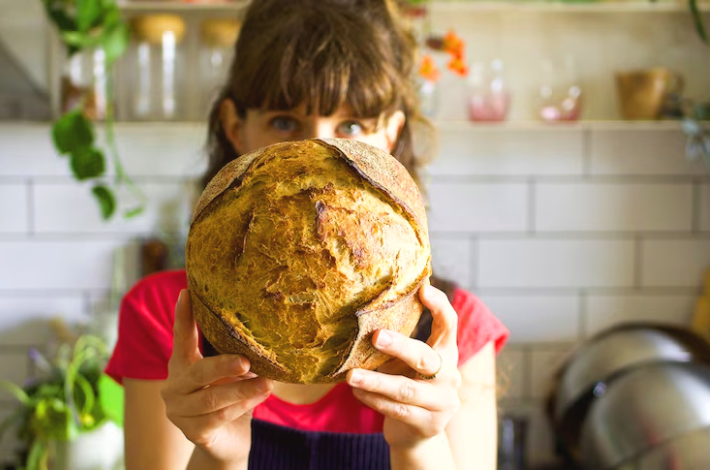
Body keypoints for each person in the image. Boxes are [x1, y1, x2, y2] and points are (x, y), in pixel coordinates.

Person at [105, 0, 510, 469]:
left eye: (353, 126)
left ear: (392, 136)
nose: (320, 146)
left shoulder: (454, 336)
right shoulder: (171, 319)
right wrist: (220, 457)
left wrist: (418, 447)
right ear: (235, 127)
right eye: (284, 122)